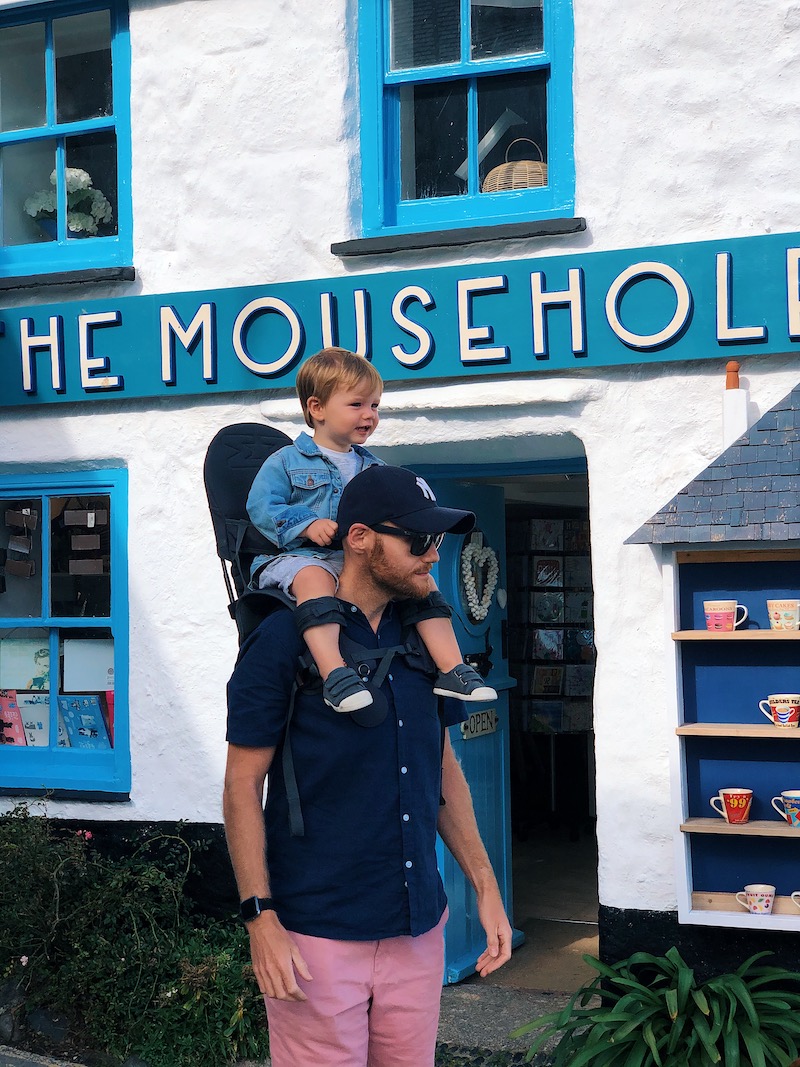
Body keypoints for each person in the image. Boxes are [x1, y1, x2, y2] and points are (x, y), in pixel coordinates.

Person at [224, 464, 513, 1067]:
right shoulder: (283, 640)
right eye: (417, 541)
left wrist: (486, 888)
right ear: (360, 538)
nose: (433, 557)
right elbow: (242, 785)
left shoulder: (426, 642)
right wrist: (260, 919)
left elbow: (443, 773)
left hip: (416, 924)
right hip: (317, 931)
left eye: (437, 542)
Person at [246, 346, 496, 713]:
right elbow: (261, 506)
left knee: (424, 583)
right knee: (315, 581)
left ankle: (452, 668)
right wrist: (307, 523)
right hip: (297, 557)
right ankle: (335, 673)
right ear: (317, 408)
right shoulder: (286, 461)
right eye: (357, 405)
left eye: (375, 406)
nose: (370, 415)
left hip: (349, 560)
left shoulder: (374, 468)